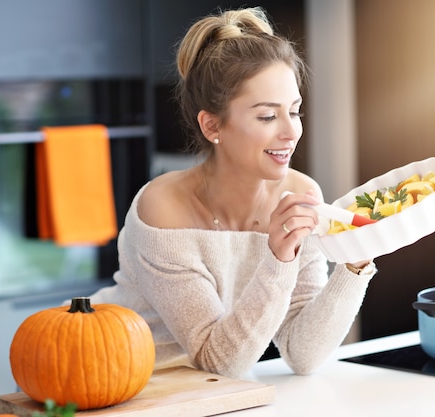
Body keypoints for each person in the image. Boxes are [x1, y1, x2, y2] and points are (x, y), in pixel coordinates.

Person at [89, 6, 376, 378]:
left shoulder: (300, 193)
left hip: (217, 395)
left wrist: (356, 262)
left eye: (295, 111)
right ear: (212, 125)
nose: (291, 132)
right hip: (122, 381)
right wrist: (278, 259)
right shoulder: (163, 207)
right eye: (267, 116)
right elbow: (216, 361)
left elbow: (303, 354)